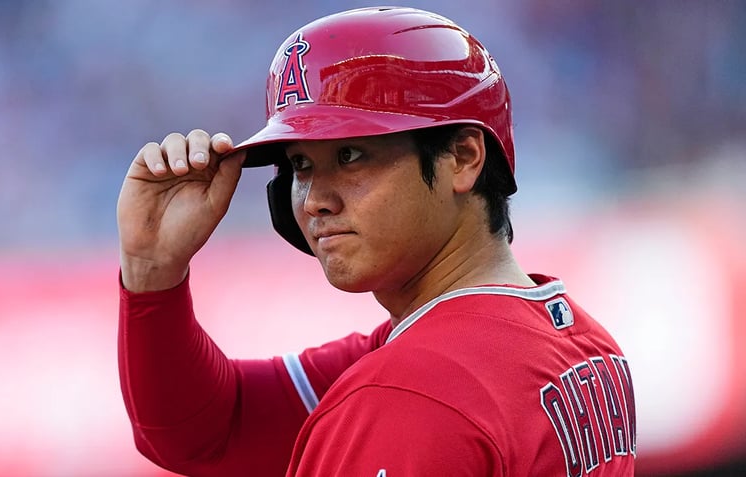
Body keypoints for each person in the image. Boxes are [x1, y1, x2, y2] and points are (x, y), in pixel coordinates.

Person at [117, 6, 636, 477]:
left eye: (350, 155)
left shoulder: (411, 394)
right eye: (301, 164)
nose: (315, 199)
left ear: (462, 157)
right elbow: (207, 432)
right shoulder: (583, 344)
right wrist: (152, 273)